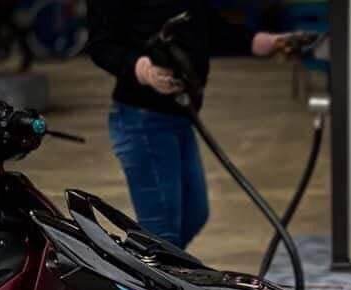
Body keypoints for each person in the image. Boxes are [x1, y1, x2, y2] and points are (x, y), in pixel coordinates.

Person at [86, 2, 299, 249]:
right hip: (142, 120)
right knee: (163, 234)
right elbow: (101, 45)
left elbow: (208, 26)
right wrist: (143, 69)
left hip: (180, 116)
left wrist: (262, 42)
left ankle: (151, 264)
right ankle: (152, 267)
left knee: (194, 214)